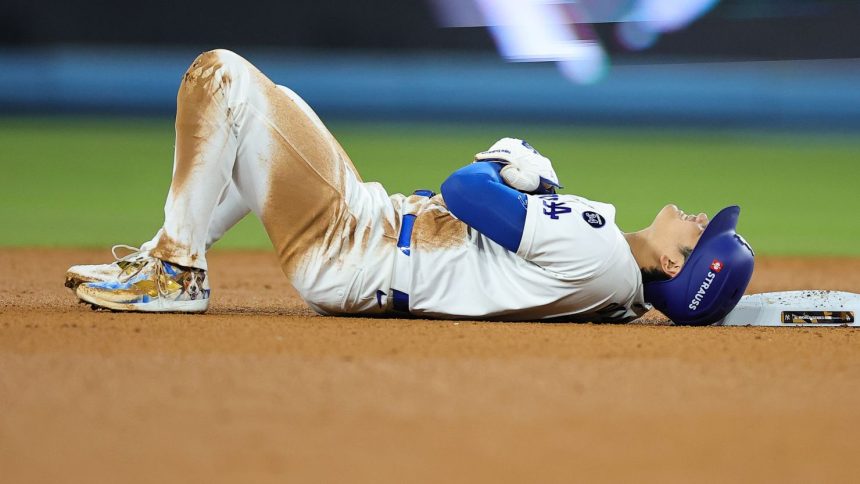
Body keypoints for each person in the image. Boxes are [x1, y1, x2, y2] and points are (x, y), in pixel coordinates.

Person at [65, 49, 755, 325]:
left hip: (357, 245)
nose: (698, 217)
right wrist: (531, 185)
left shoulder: (605, 252)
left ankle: (177, 270)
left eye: (702, 233)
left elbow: (465, 191)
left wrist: (501, 159)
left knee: (220, 75)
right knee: (262, 111)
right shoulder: (617, 294)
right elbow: (482, 229)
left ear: (673, 265)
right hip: (371, 246)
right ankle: (168, 253)